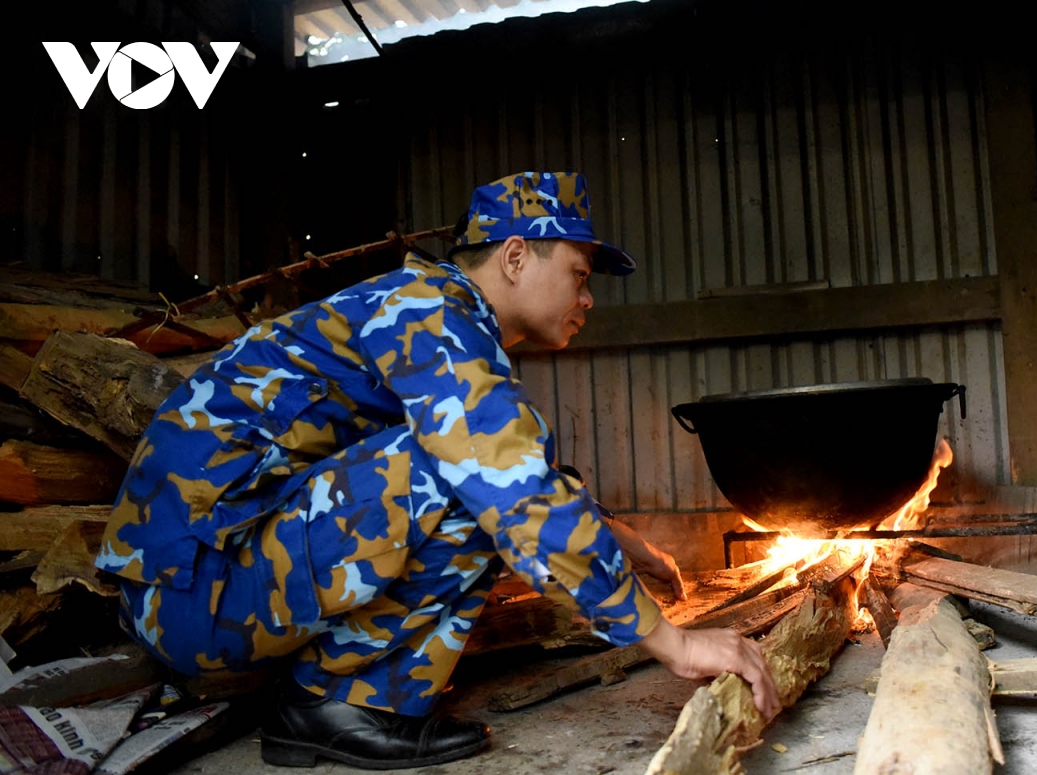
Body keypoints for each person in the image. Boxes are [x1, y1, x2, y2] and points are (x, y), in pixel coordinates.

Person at [95, 171, 780, 770]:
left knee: (482, 467)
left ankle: (333, 698)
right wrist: (674, 641)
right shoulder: (429, 311)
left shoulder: (436, 312)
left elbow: (512, 467)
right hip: (189, 596)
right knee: (469, 477)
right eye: (579, 273)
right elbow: (506, 482)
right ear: (516, 256)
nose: (588, 297)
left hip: (207, 580)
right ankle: (333, 702)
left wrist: (621, 537)